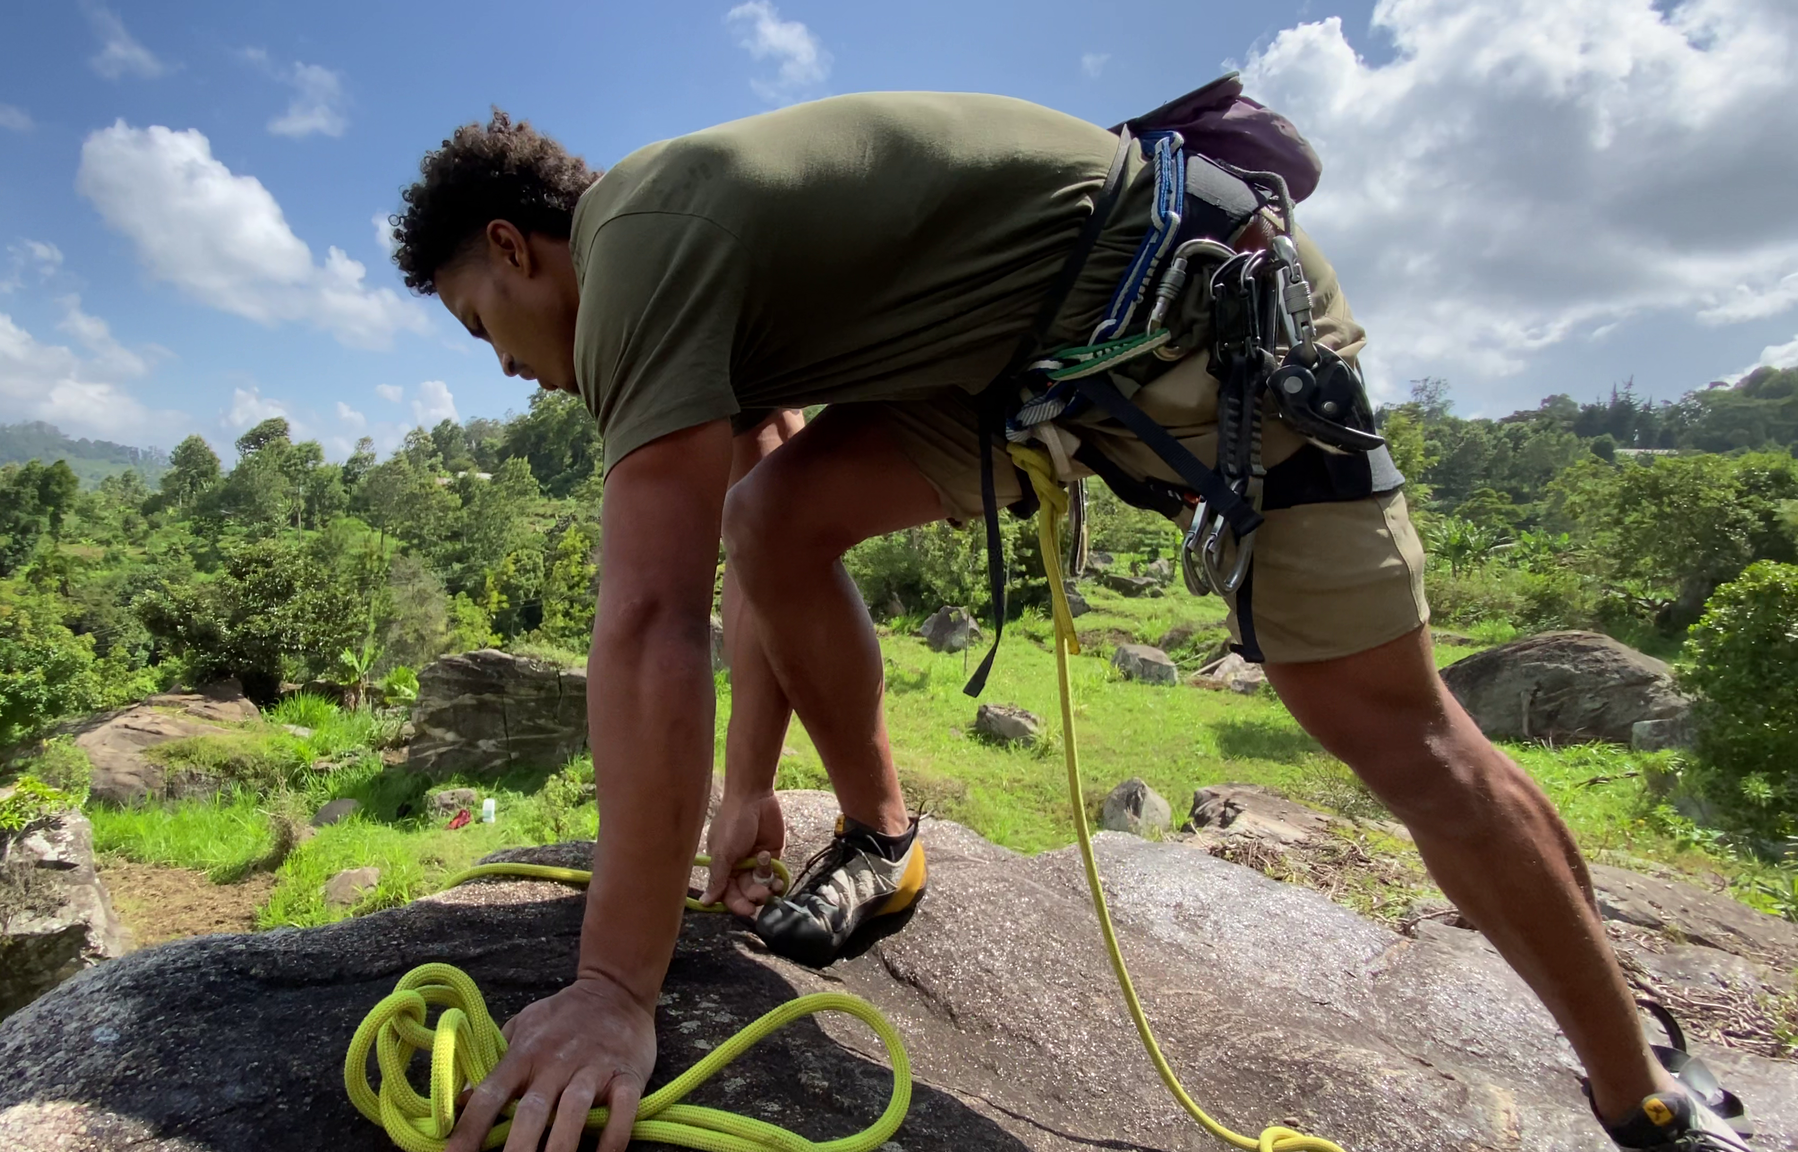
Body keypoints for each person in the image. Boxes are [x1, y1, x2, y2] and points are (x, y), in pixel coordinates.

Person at [385, 95, 1752, 1152]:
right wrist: (747, 790)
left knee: (1404, 740)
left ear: (516, 248)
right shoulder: (678, 249)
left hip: (1199, 323)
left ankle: (1642, 1092)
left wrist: (615, 990)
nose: (502, 363)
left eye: (475, 319)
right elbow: (760, 501)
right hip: (1030, 360)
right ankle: (882, 838)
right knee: (784, 521)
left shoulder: (639, 245)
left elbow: (645, 621)